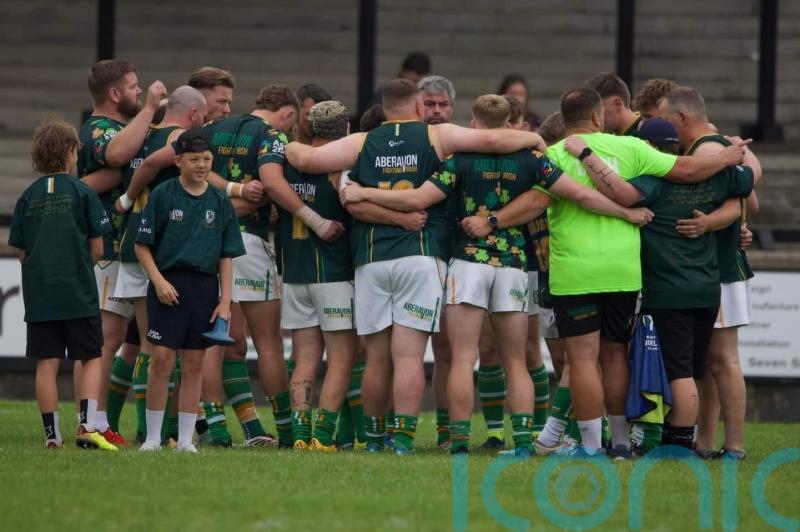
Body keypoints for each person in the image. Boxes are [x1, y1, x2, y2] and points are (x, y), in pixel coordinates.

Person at [340, 94, 655, 456]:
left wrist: (361, 191)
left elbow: (417, 199)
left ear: (473, 126)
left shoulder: (458, 160)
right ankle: (522, 442)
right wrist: (626, 214)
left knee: (462, 357)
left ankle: (458, 441)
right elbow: (581, 196)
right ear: (510, 126)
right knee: (516, 360)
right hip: (512, 263)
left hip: (468, 262)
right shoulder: (533, 160)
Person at [287, 79, 551, 454]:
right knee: (409, 355)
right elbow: (493, 140)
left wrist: (280, 140)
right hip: (422, 256)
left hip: (372, 257)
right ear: (417, 107)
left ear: (386, 106)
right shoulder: (436, 136)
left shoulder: (363, 140)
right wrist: (534, 141)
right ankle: (405, 441)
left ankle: (375, 440)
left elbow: (307, 160)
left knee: (377, 357)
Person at [482, 87, 748, 458]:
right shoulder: (632, 148)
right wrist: (726, 158)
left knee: (582, 360)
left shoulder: (554, 154)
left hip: (575, 271)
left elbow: (535, 202)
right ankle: (621, 443)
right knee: (615, 355)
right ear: (598, 116)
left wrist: (491, 221)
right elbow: (685, 169)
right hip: (623, 270)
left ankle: (591, 446)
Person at [563, 93, 759, 453]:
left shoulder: (654, 183)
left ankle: (678, 444)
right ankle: (709, 443)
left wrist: (587, 156)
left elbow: (621, 193)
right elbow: (750, 186)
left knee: (679, 373)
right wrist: (735, 156)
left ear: (648, 149)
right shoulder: (717, 178)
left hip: (669, 291)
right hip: (706, 289)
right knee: (699, 369)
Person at [201, 84, 344, 448]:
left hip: (202, 243)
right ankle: (284, 429)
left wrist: (229, 192)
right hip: (247, 243)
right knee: (266, 343)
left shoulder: (210, 130)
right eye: (292, 122)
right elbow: (271, 183)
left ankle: (217, 428)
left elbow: (194, 175)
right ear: (285, 113)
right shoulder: (270, 137)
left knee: (212, 342)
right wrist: (312, 218)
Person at [658, 87, 762, 459]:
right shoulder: (714, 149)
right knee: (710, 361)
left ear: (683, 119)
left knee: (724, 359)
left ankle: (734, 444)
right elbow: (749, 198)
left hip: (720, 270)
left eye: (668, 121)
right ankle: (705, 441)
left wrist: (711, 225)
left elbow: (742, 202)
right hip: (712, 269)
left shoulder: (707, 151)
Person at [10, 119, 116, 451]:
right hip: (78, 291)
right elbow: (97, 249)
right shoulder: (83, 191)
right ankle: (86, 425)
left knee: (47, 362)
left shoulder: (27, 197)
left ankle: (51, 436)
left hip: (41, 295)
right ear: (71, 152)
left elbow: (22, 252)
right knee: (90, 357)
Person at [136, 130, 245, 452]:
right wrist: (158, 281)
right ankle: (154, 438)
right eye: (195, 159)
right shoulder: (163, 194)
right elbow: (142, 246)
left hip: (204, 287)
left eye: (207, 160)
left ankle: (186, 440)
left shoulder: (219, 200)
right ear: (178, 161)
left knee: (195, 362)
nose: (201, 165)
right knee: (162, 359)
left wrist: (225, 302)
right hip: (168, 283)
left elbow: (226, 256)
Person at [77, 60, 167, 445]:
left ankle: (99, 423)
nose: (138, 91)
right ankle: (90, 423)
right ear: (114, 94)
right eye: (133, 87)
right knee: (105, 339)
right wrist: (149, 109)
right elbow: (116, 157)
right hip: (109, 247)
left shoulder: (123, 128)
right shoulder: (99, 128)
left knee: (114, 338)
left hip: (127, 248)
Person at [114, 86, 208, 442]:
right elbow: (155, 165)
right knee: (157, 347)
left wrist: (125, 202)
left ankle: (129, 425)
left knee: (138, 341)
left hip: (134, 245)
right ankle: (150, 430)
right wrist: (127, 198)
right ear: (195, 114)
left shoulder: (142, 133)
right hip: (160, 251)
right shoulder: (182, 139)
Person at [276, 101, 357, 451]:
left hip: (295, 273)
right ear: (346, 129)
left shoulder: (289, 165)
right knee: (340, 359)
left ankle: (299, 435)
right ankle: (323, 437)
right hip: (333, 274)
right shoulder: (342, 166)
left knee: (304, 356)